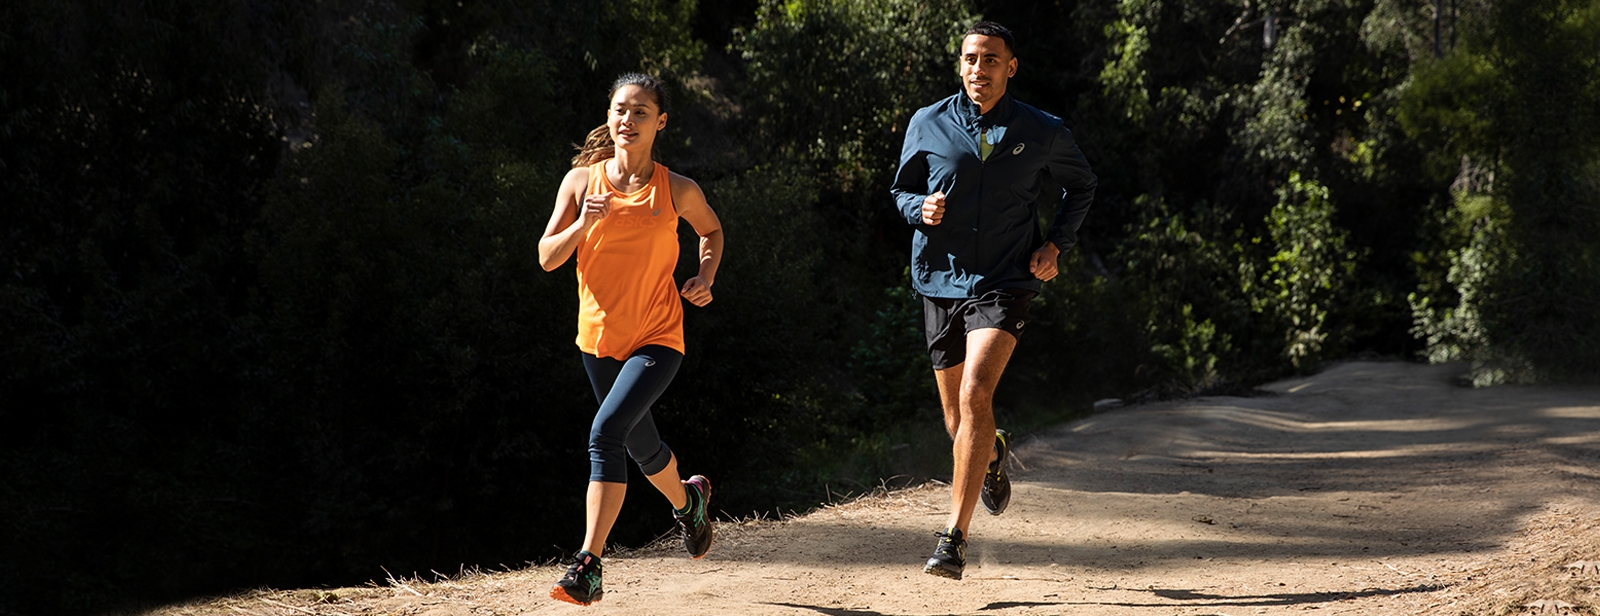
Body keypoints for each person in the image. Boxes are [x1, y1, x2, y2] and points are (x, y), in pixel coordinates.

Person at [889, 21, 1097, 580]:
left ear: (1011, 66)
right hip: (938, 277)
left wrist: (1056, 243)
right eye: (970, 59)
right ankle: (993, 453)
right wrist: (919, 210)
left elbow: (1083, 185)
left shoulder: (1041, 129)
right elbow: (901, 189)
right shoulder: (927, 122)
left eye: (990, 59)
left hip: (1006, 279)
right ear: (960, 64)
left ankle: (952, 538)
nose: (979, 69)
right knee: (958, 420)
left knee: (978, 389)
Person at [538, 73, 724, 606]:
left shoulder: (677, 189)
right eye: (621, 110)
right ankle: (690, 503)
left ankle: (588, 565)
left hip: (658, 336)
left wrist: (705, 277)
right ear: (610, 115)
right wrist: (581, 226)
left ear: (659, 122)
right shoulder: (580, 183)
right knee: (641, 445)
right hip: (597, 340)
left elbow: (711, 231)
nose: (628, 120)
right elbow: (547, 257)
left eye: (641, 112)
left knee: (605, 432)